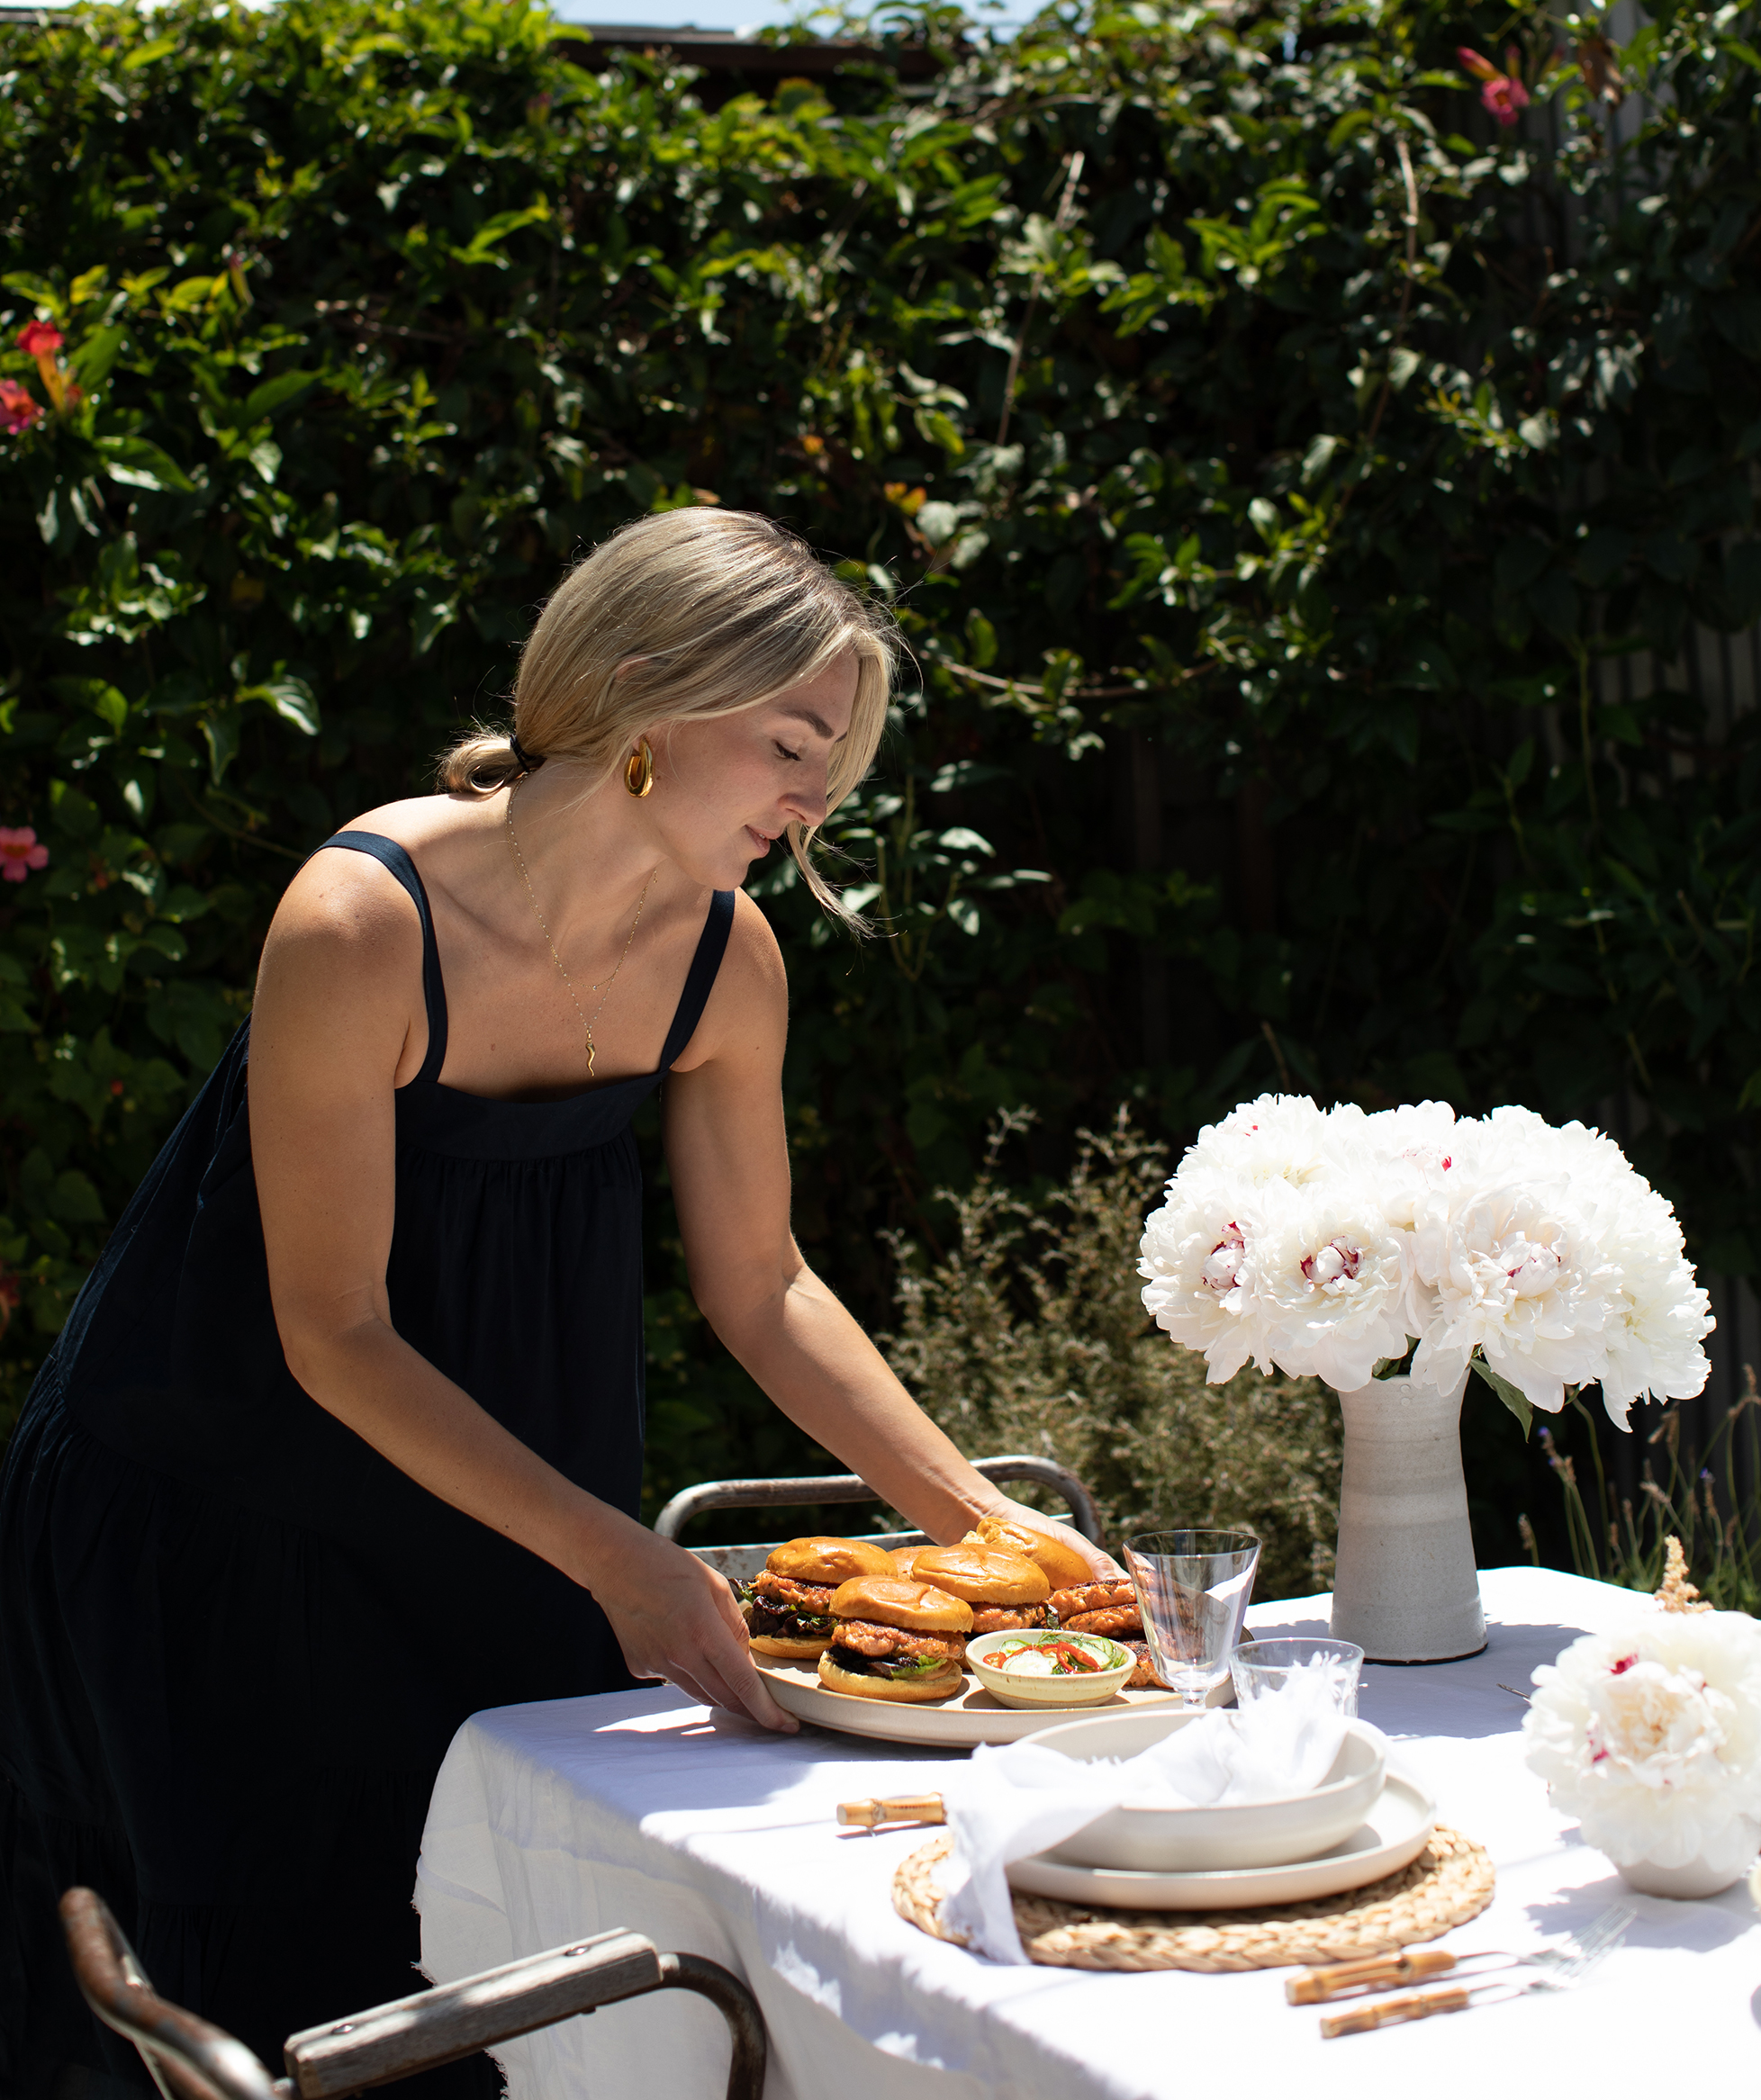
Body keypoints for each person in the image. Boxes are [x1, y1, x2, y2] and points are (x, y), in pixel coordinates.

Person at [0, 509, 1114, 2097]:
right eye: (795, 748)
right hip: (214, 1523)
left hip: (495, 1521)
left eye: (834, 769)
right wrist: (622, 1556)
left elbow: (766, 1283)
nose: (816, 806)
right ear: (651, 694)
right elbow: (335, 1330)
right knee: (269, 2012)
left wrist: (987, 1527)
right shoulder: (359, 921)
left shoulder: (728, 961)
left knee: (507, 1988)